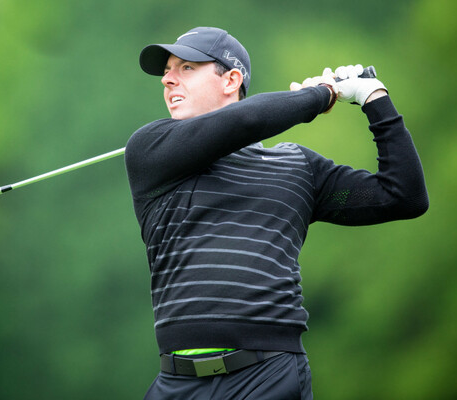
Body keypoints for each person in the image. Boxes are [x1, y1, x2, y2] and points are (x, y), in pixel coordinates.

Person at [124, 27, 428, 399]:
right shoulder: (150, 151)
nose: (168, 79)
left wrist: (373, 97)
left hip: (269, 379)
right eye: (167, 71)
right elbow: (245, 121)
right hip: (178, 384)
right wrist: (322, 94)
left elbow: (403, 195)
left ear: (231, 80)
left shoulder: (297, 167)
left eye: (186, 67)